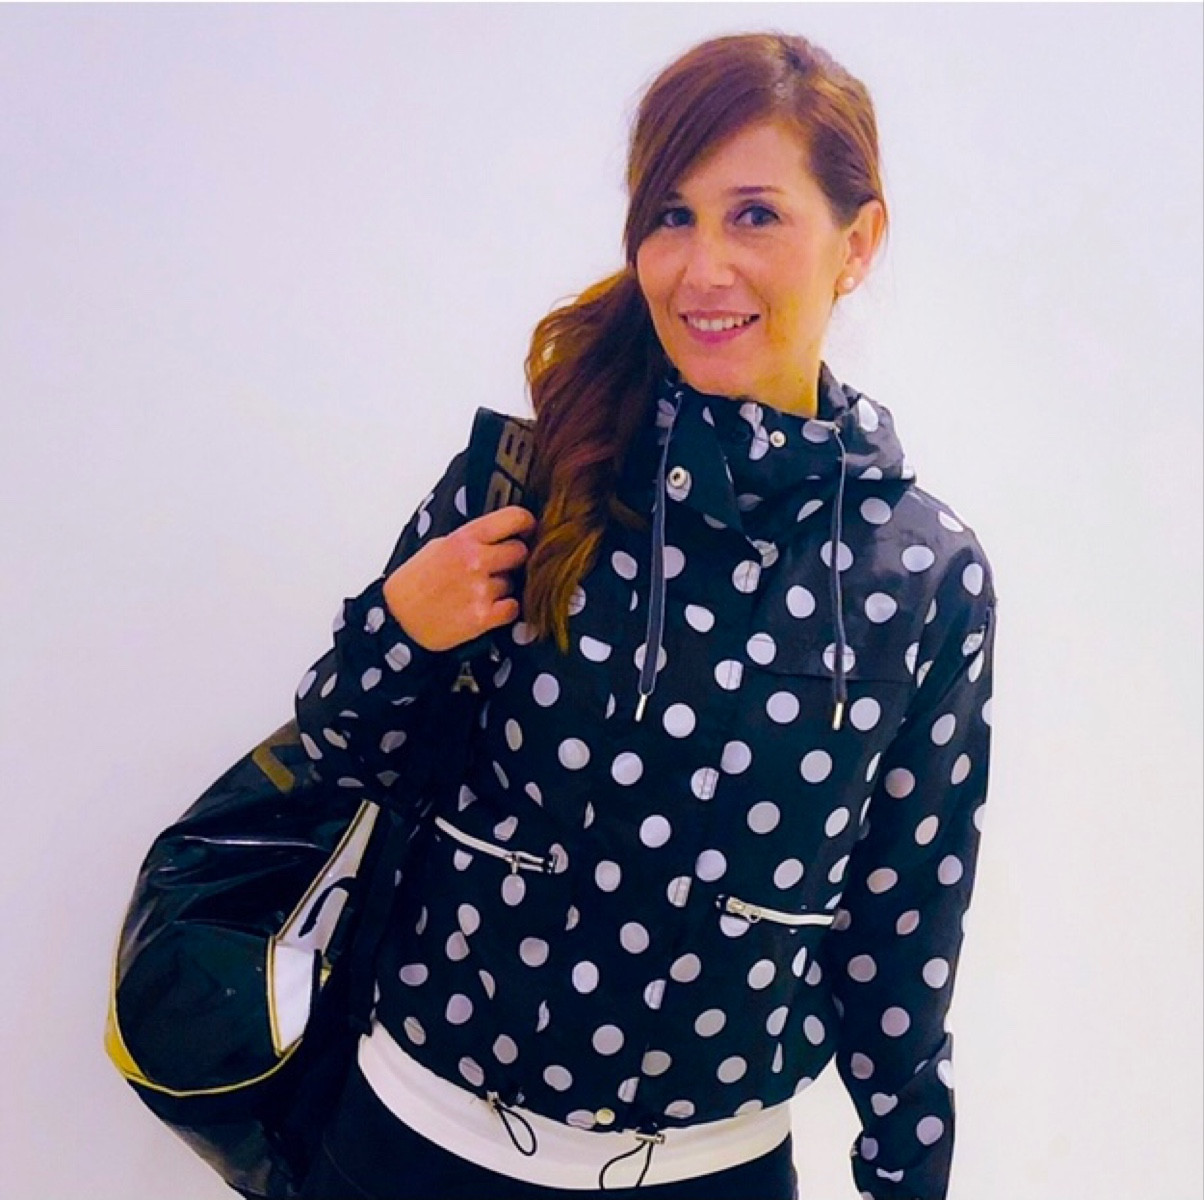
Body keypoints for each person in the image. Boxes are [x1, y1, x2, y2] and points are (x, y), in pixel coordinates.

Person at [292, 31, 996, 1200]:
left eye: (754, 215)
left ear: (857, 242)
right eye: (671, 215)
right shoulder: (533, 481)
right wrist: (397, 630)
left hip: (711, 1171)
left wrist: (906, 1166)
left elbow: (905, 915)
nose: (702, 267)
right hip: (412, 1144)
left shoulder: (918, 574)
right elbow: (340, 753)